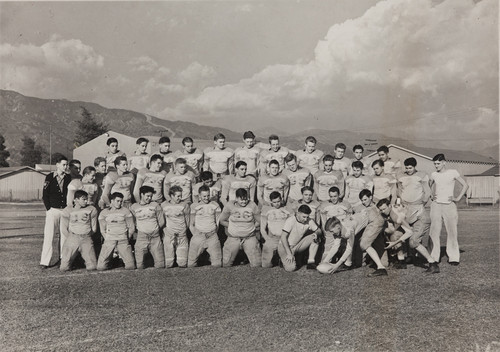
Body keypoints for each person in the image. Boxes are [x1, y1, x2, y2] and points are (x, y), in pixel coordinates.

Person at [428, 154, 468, 265]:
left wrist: (457, 198)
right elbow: (429, 184)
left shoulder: (453, 172)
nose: (436, 166)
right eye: (435, 164)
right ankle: (434, 257)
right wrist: (431, 194)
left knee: (452, 232)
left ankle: (454, 257)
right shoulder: (434, 174)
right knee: (434, 232)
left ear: (444, 162)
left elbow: (465, 185)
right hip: (436, 205)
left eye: (438, 163)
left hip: (449, 206)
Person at [40, 155, 71, 269]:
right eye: (63, 164)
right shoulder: (50, 177)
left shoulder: (68, 178)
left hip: (64, 210)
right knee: (49, 236)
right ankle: (45, 261)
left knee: (64, 236)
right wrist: (49, 209)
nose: (65, 167)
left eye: (67, 164)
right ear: (57, 165)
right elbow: (45, 195)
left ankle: (63, 259)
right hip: (53, 210)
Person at [220, 188, 262, 267]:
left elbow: (260, 220)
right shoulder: (230, 205)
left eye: (245, 199)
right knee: (226, 264)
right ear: (236, 198)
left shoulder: (252, 205)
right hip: (234, 237)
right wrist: (233, 227)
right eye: (241, 200)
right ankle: (237, 257)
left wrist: (253, 227)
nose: (244, 202)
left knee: (257, 264)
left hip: (249, 237)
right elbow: (222, 220)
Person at [59, 190, 98, 271]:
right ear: (76, 199)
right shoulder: (68, 210)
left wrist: (86, 235)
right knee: (64, 268)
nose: (86, 201)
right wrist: (71, 238)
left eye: (86, 199)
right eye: (83, 199)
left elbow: (94, 228)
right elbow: (63, 228)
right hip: (73, 237)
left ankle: (83, 259)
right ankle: (74, 260)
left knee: (92, 267)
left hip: (86, 238)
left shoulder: (92, 209)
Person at [97, 192, 136, 270]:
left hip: (123, 239)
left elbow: (131, 228)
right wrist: (108, 238)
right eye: (117, 201)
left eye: (121, 201)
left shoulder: (126, 211)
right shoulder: (104, 212)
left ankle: (122, 258)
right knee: (101, 267)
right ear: (112, 201)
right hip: (109, 239)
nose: (120, 203)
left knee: (130, 266)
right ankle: (112, 260)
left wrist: (126, 238)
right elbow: (102, 230)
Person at [130, 186, 165, 269]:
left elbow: (161, 221)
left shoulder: (155, 205)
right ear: (142, 194)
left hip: (155, 237)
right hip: (142, 237)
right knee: (139, 266)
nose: (149, 198)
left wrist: (154, 229)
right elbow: (133, 221)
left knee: (160, 265)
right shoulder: (134, 207)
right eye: (147, 196)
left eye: (151, 196)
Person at [278, 204, 322, 271]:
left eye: (307, 217)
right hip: (285, 246)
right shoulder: (290, 220)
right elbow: (283, 237)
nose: (305, 219)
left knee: (315, 237)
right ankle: (281, 259)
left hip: (296, 246)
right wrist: (289, 253)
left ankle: (310, 262)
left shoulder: (309, 220)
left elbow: (319, 230)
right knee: (291, 268)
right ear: (298, 213)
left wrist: (316, 233)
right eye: (304, 217)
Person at [188, 185, 222, 267]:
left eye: (208, 195)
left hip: (212, 235)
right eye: (204, 196)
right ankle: (202, 257)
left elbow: (217, 222)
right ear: (199, 196)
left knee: (217, 264)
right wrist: (196, 234)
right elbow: (191, 223)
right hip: (199, 235)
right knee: (191, 264)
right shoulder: (194, 206)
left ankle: (211, 256)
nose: (206, 198)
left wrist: (213, 233)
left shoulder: (215, 205)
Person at [376, 198, 414, 269]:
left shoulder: (395, 214)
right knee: (392, 234)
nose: (383, 211)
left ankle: (402, 260)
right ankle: (402, 257)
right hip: (407, 223)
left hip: (412, 224)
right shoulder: (389, 211)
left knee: (394, 236)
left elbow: (407, 228)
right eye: (381, 210)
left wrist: (395, 241)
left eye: (384, 209)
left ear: (389, 206)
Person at [260, 192, 294, 268]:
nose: (277, 204)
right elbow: (262, 229)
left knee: (290, 267)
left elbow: (292, 226)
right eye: (274, 202)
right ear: (271, 201)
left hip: (284, 238)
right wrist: (267, 239)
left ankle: (282, 259)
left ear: (281, 200)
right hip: (272, 238)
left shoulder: (287, 209)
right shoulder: (266, 210)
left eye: (278, 201)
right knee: (266, 265)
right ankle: (275, 258)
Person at [161, 186, 190, 268]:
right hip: (169, 236)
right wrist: (166, 232)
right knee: (168, 264)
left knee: (182, 264)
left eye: (181, 195)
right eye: (178, 196)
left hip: (181, 236)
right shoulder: (163, 205)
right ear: (171, 196)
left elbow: (187, 221)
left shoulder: (185, 205)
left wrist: (183, 231)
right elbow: (162, 221)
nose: (180, 198)